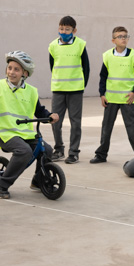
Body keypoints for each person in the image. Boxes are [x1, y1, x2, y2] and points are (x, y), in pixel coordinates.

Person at [0, 51, 58, 199]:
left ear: (25, 73)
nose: (11, 72)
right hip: (5, 133)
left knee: (46, 149)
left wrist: (49, 116)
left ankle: (37, 181)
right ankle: (2, 184)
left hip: (25, 133)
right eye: (9, 68)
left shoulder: (31, 91)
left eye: (16, 69)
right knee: (24, 151)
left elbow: (39, 111)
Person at [90, 26, 134, 164]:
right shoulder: (107, 55)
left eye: (125, 36)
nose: (123, 39)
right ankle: (101, 155)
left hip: (128, 99)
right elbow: (103, 76)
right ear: (113, 40)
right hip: (111, 98)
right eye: (120, 36)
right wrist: (102, 94)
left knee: (133, 128)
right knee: (106, 128)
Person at [49, 15, 90, 164]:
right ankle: (59, 149)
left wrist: (81, 85)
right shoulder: (53, 45)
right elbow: (52, 66)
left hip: (75, 90)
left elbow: (86, 67)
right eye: (61, 28)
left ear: (74, 30)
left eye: (67, 29)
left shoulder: (80, 45)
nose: (63, 31)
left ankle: (73, 153)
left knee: (75, 122)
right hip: (58, 89)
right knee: (55, 121)